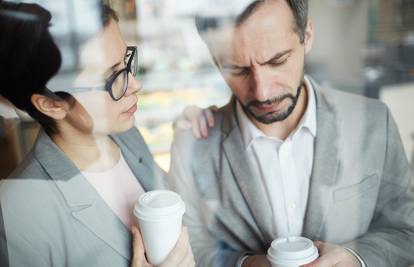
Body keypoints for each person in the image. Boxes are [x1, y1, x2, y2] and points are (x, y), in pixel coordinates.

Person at [168, 0, 414, 266]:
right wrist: (245, 264)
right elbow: (192, 245)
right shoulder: (193, 143)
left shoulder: (375, 123)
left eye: (277, 61)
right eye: (237, 69)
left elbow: (406, 232)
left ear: (306, 37)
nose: (262, 92)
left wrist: (357, 258)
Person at [0, 1, 196, 266]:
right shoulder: (17, 210)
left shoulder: (126, 135)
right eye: (111, 77)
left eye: (126, 62)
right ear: (52, 105)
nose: (135, 84)